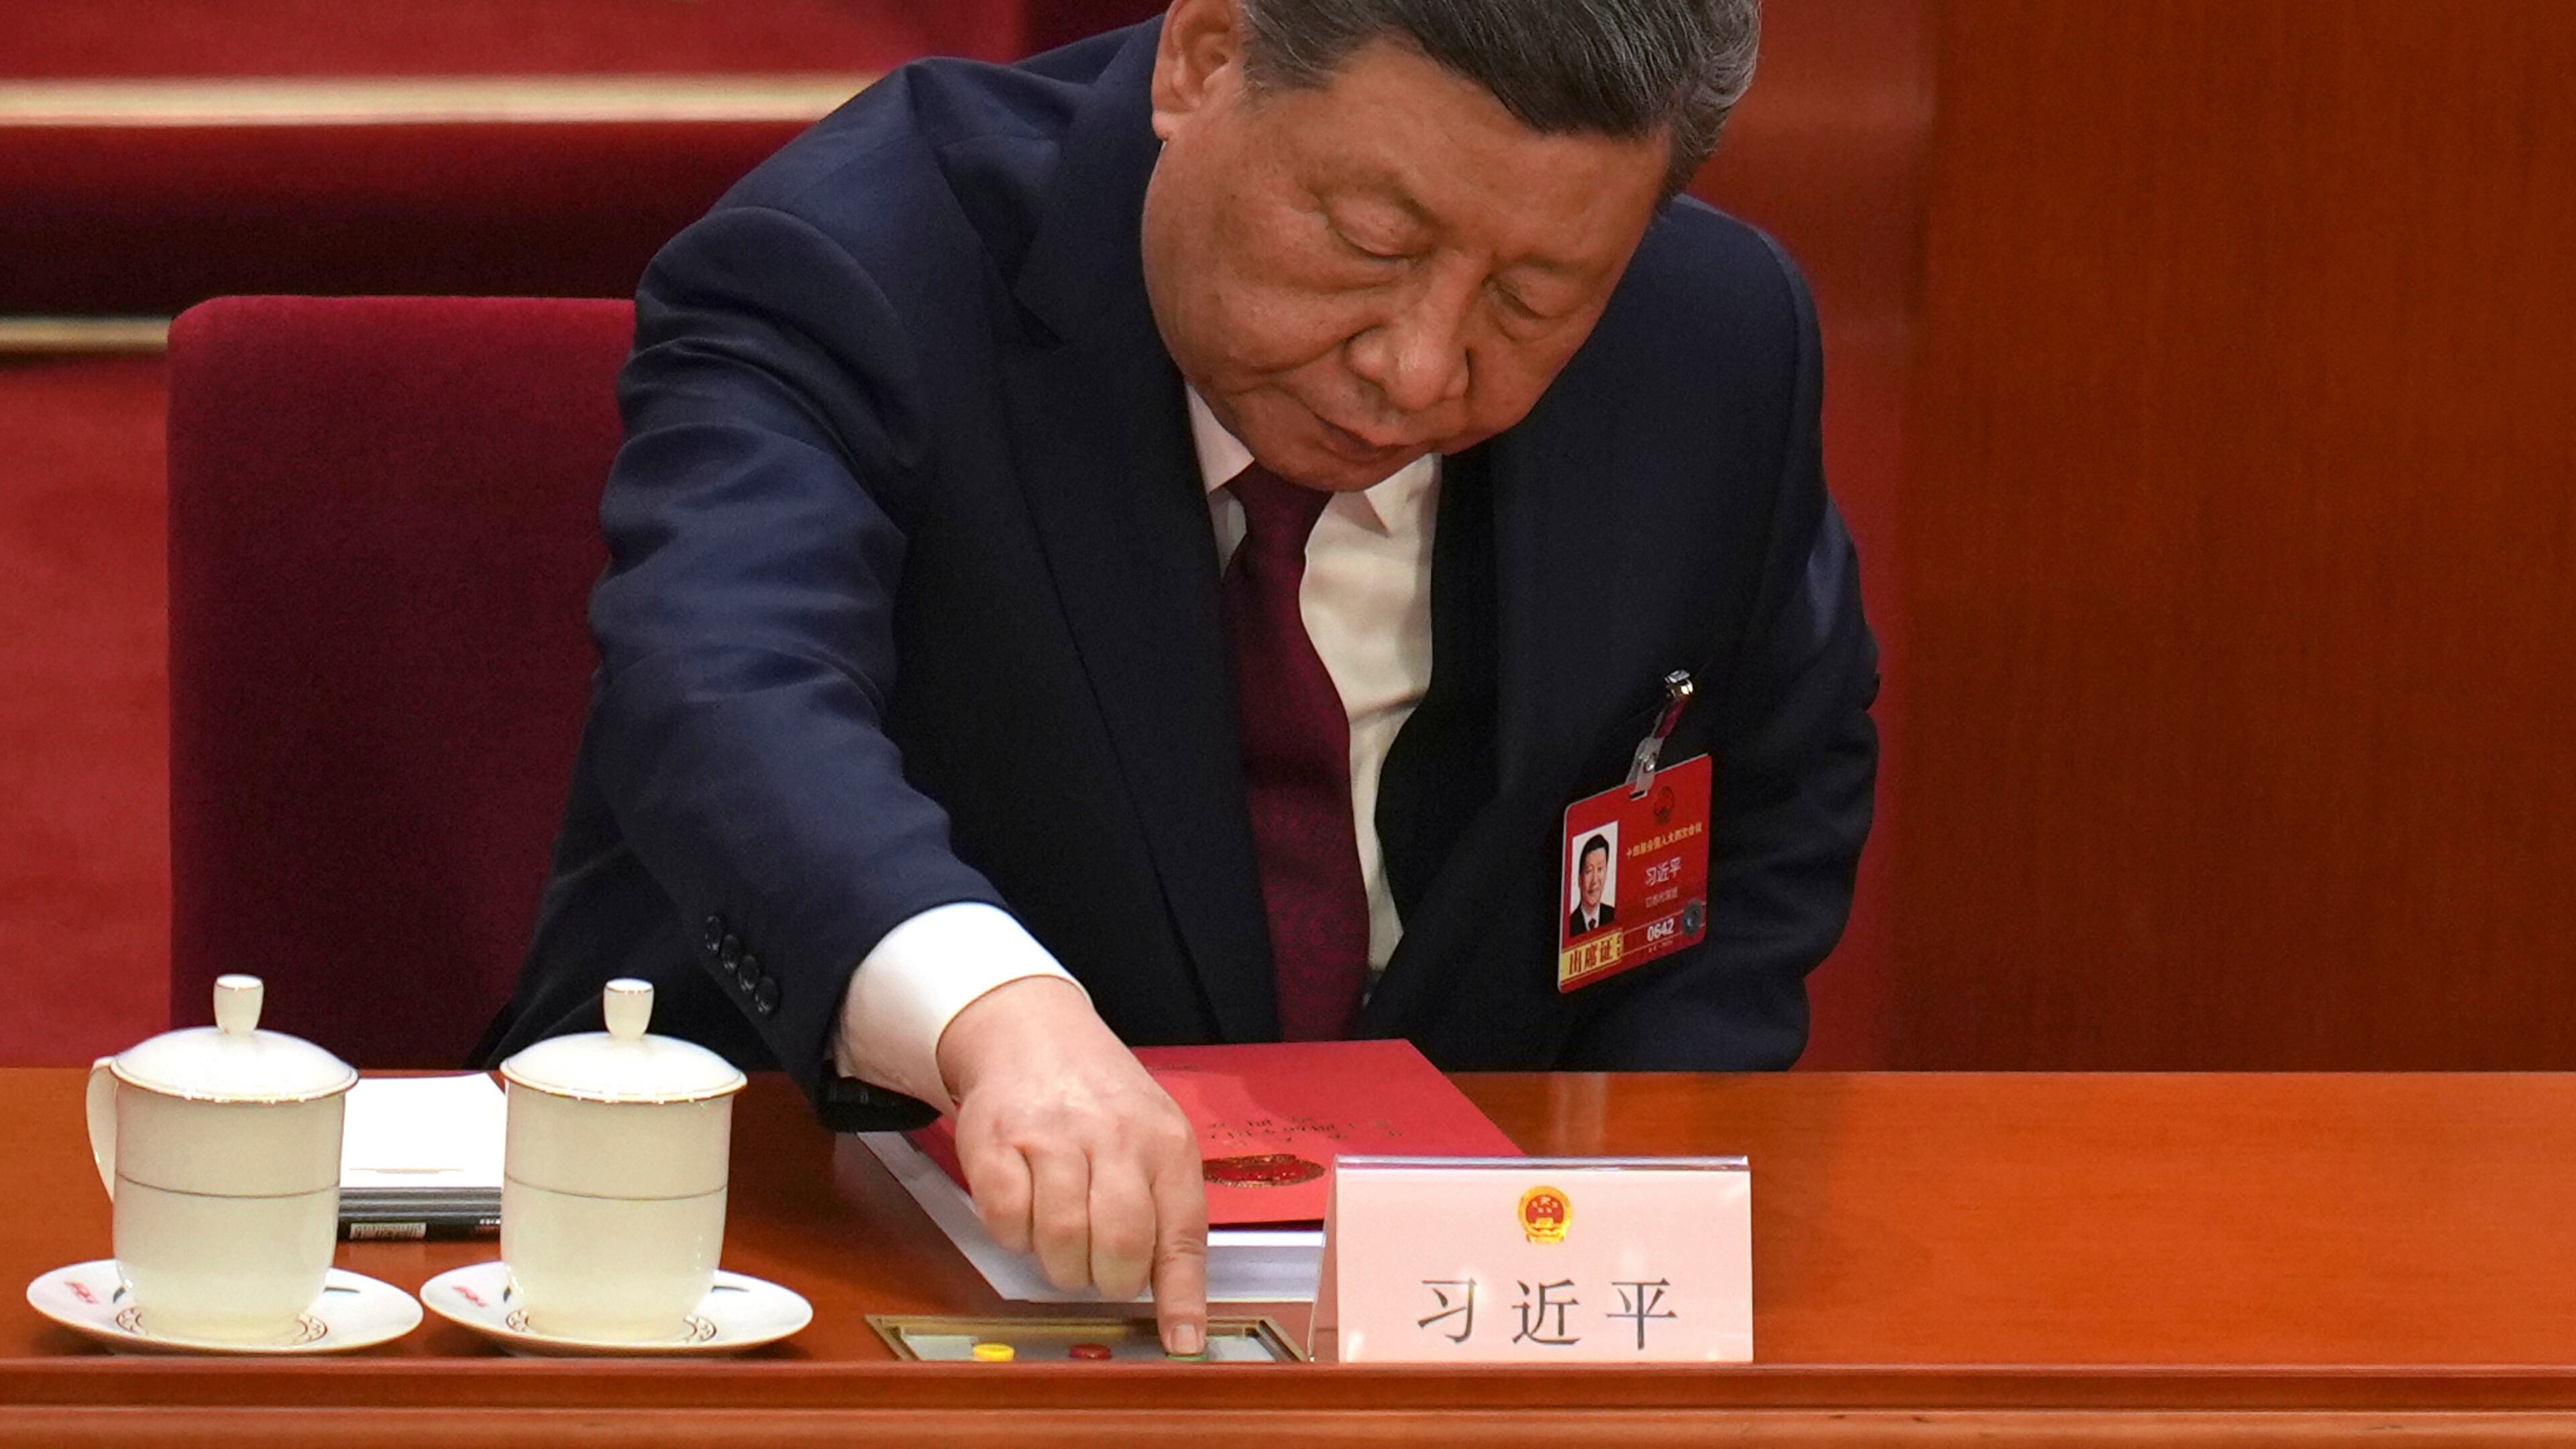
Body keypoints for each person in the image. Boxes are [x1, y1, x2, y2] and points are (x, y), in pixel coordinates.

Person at [476, 0, 1877, 1357]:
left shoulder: (1712, 335)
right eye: (1373, 241)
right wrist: (996, 1019)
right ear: (1205, 58)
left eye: (1533, 297)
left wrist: (1636, 1172)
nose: (1419, 365)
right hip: (797, 1262)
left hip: (1461, 1325)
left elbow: (1774, 772)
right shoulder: (857, 261)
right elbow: (727, 683)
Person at [1568, 834, 1616, 938]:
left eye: (1600, 869)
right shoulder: (1569, 927)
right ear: (1580, 878)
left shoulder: (1614, 916)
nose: (1595, 880)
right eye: (1589, 871)